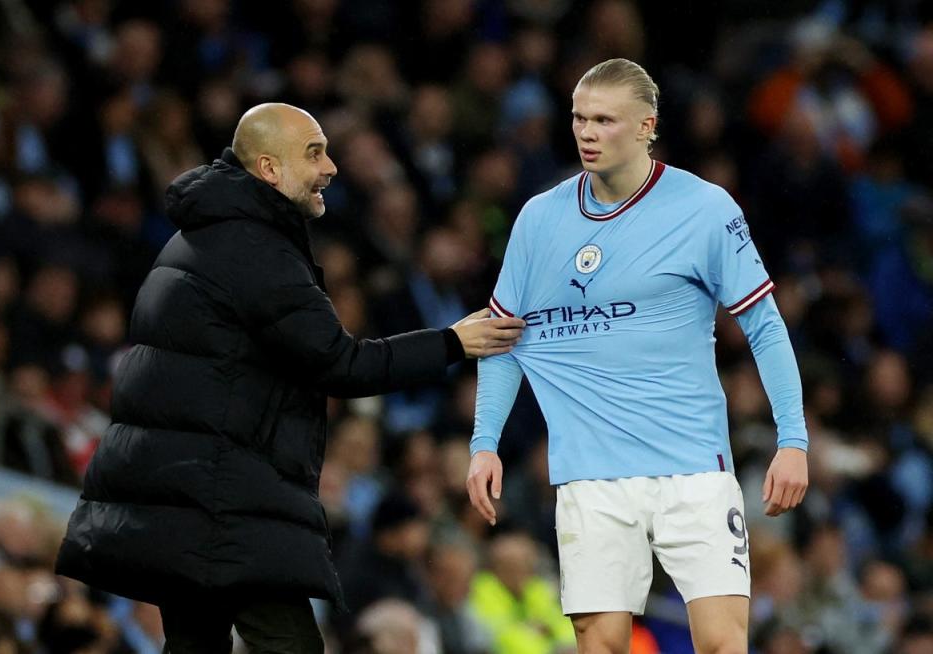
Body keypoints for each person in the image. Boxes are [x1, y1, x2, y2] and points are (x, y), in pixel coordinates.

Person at [54, 102, 525, 654]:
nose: (331, 168)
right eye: (314, 153)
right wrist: (451, 342)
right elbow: (340, 363)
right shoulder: (255, 249)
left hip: (183, 494)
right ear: (269, 169)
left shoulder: (199, 238)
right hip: (222, 500)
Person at [466, 59, 809, 654]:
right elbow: (502, 339)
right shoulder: (539, 219)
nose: (586, 132)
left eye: (604, 119)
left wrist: (793, 442)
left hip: (695, 466)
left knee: (724, 643)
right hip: (590, 475)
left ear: (647, 125)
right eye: (579, 118)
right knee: (600, 644)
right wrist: (483, 443)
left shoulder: (704, 210)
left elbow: (765, 327)